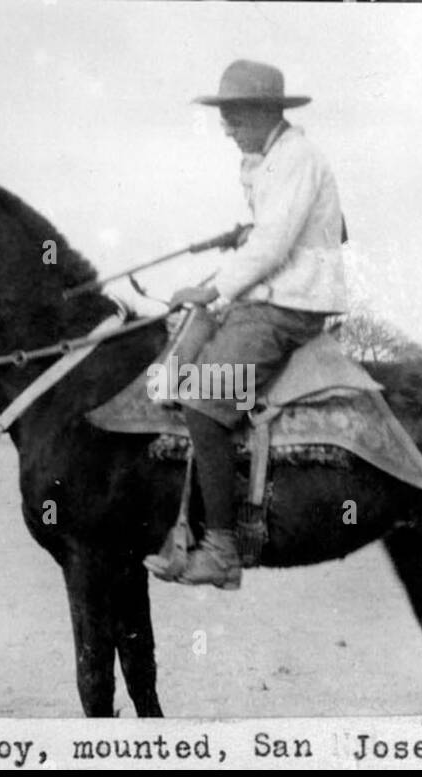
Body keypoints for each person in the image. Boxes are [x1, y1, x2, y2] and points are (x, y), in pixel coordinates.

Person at [157, 59, 348, 590]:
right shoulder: (268, 160)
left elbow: (273, 244)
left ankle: (221, 548)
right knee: (167, 375)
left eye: (236, 117)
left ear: (267, 113)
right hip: (266, 294)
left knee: (203, 398)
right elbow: (265, 237)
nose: (227, 128)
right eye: (225, 117)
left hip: (289, 306)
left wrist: (214, 288)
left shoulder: (298, 159)